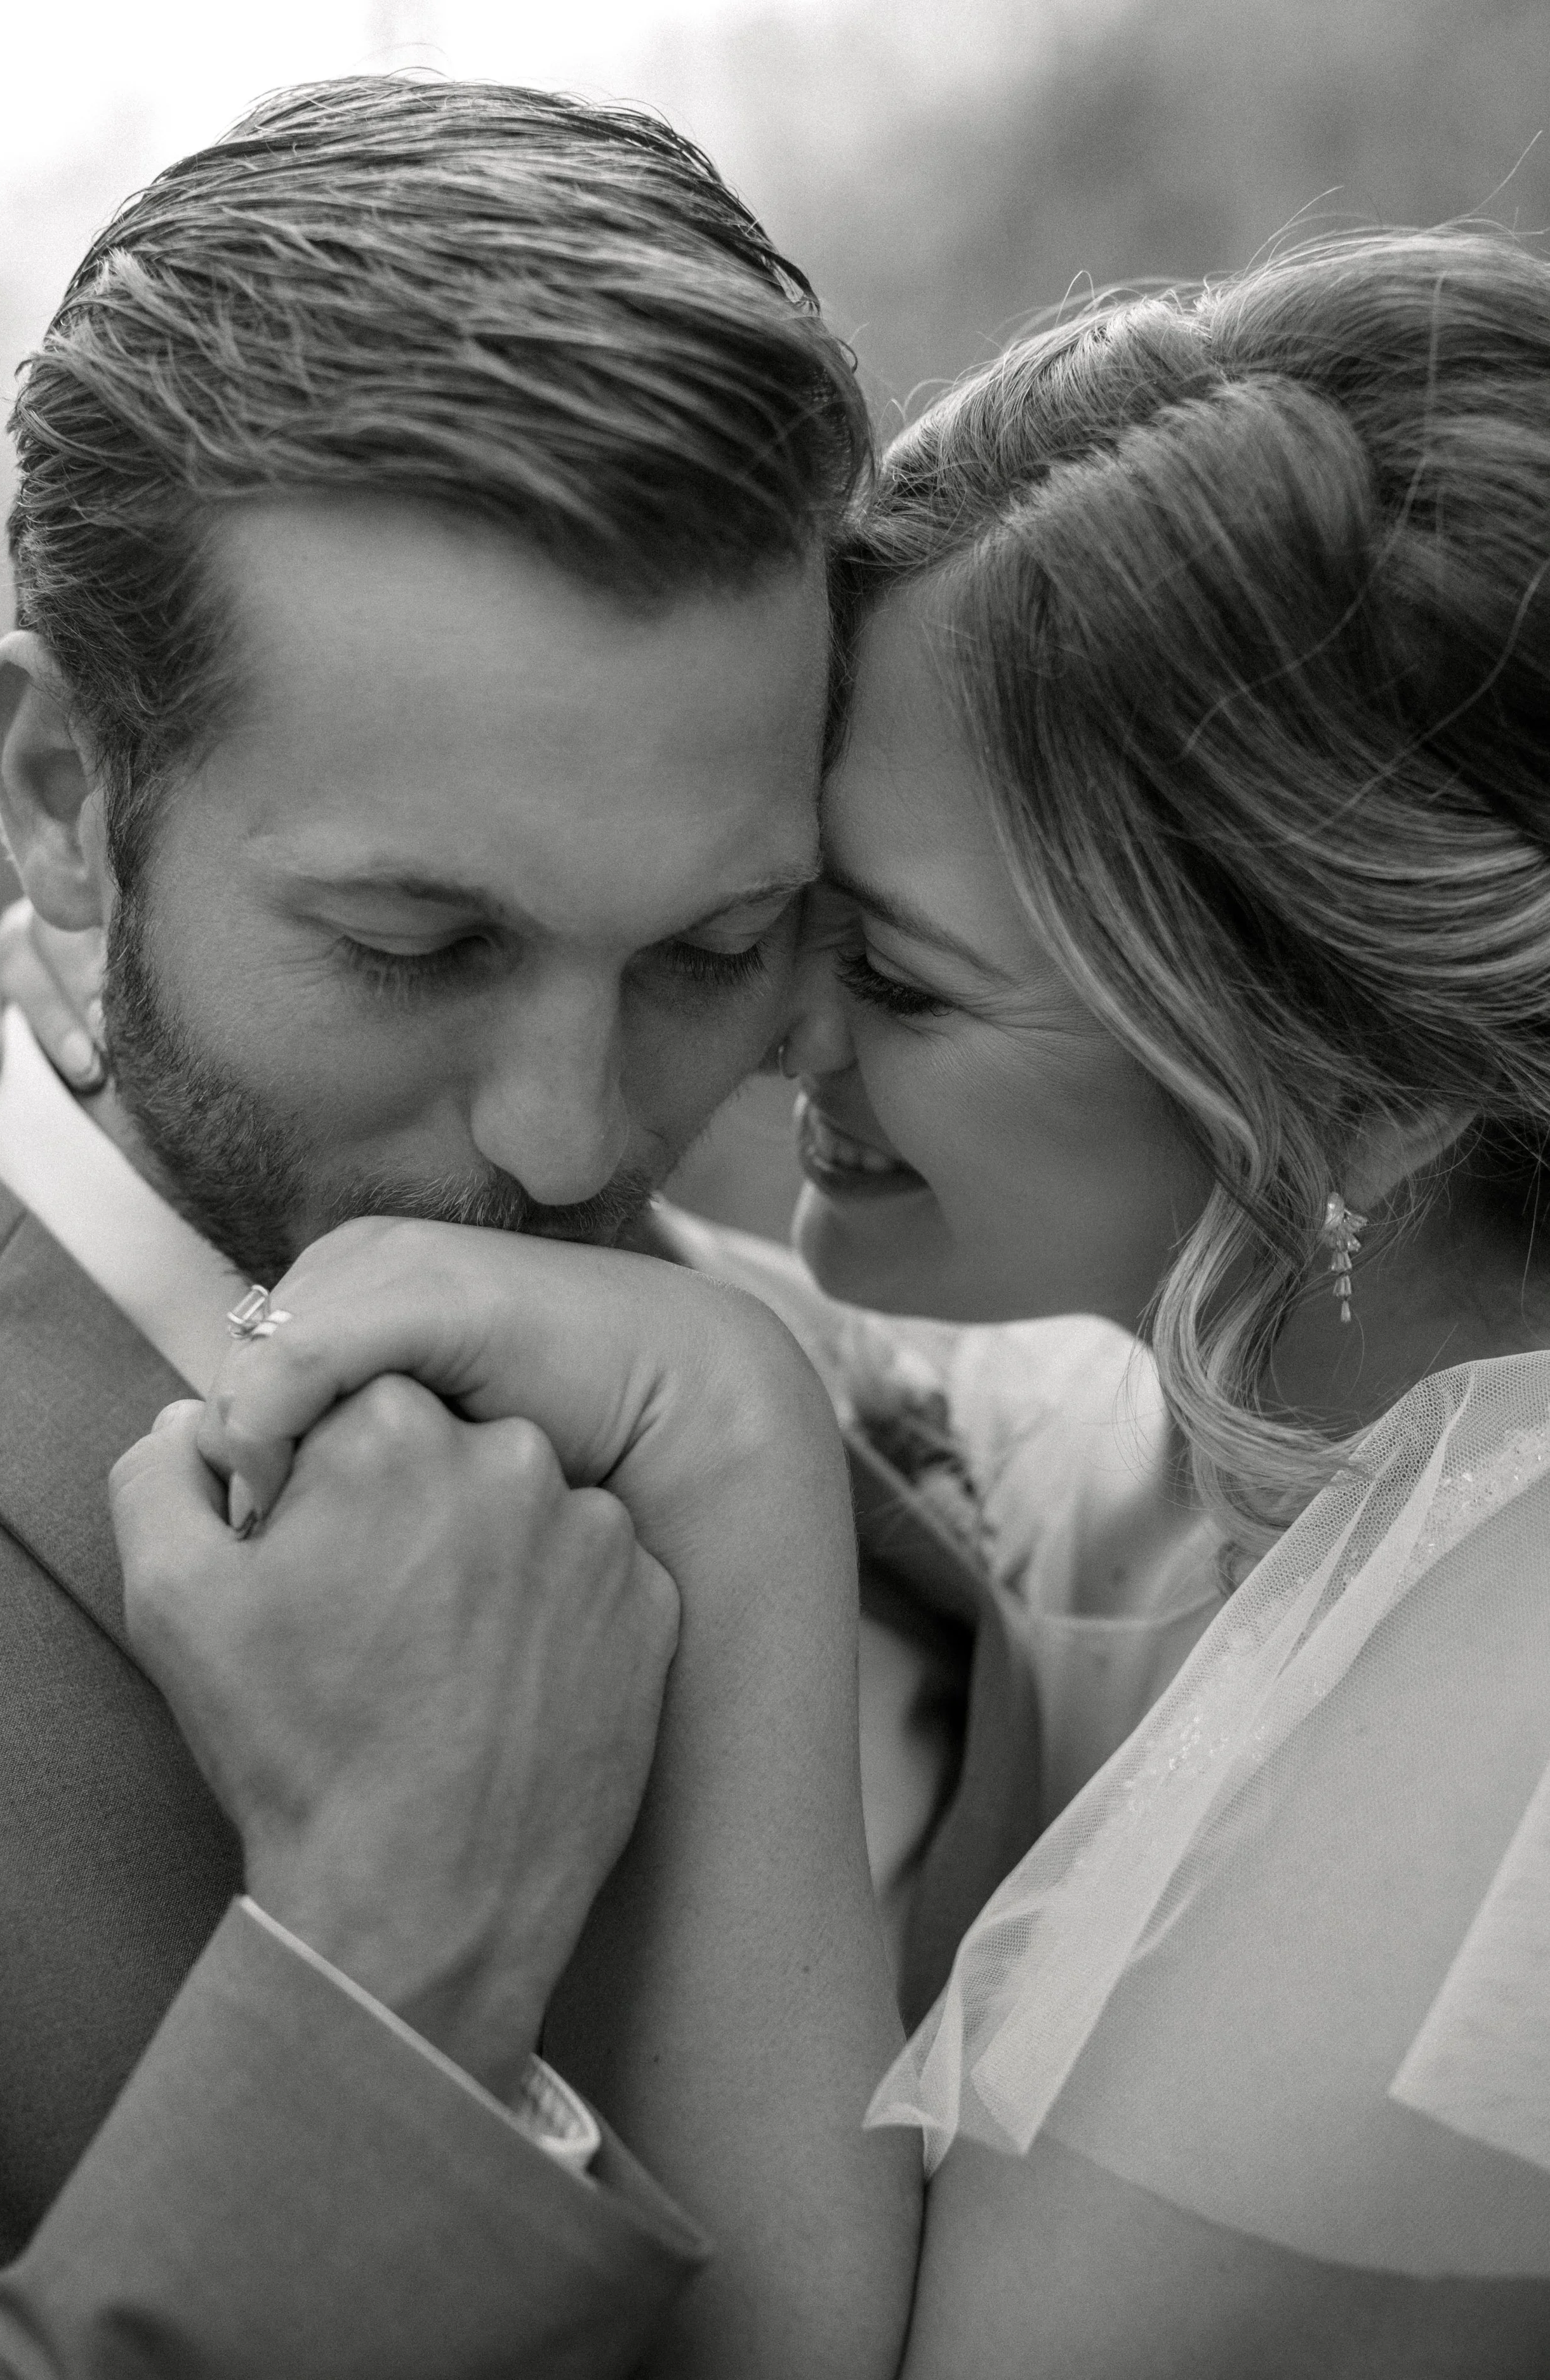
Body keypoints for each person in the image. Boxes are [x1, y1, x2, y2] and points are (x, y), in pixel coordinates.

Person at [76, 225, 1550, 2376]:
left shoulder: (1510, 1686)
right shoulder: (1291, 1469)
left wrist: (732, 1441)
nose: (783, 1034)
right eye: (778, 920)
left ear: (1354, 1082)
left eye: (900, 967)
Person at [0, 69, 946, 2377]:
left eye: (713, 951)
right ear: (63, 799)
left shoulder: (922, 1425)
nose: (570, 1131)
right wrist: (385, 1950)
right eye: (414, 944)